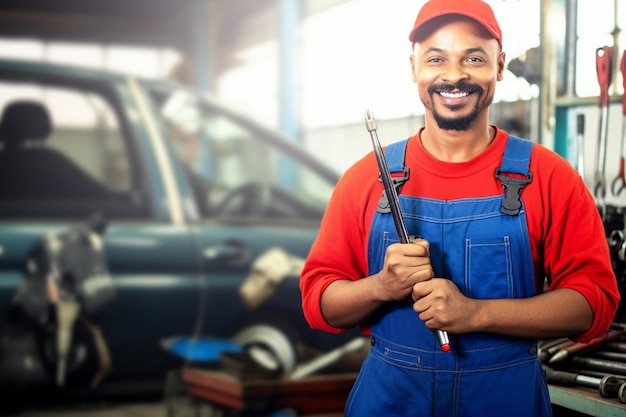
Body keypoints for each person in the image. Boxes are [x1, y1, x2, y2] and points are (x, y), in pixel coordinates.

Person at [300, 0, 620, 416]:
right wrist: (381, 287)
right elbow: (318, 303)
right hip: (392, 400)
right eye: (436, 59)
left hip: (505, 399)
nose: (454, 75)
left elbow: (593, 304)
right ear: (413, 67)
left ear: (500, 66)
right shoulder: (366, 178)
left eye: (473, 58)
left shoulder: (550, 176)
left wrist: (475, 312)